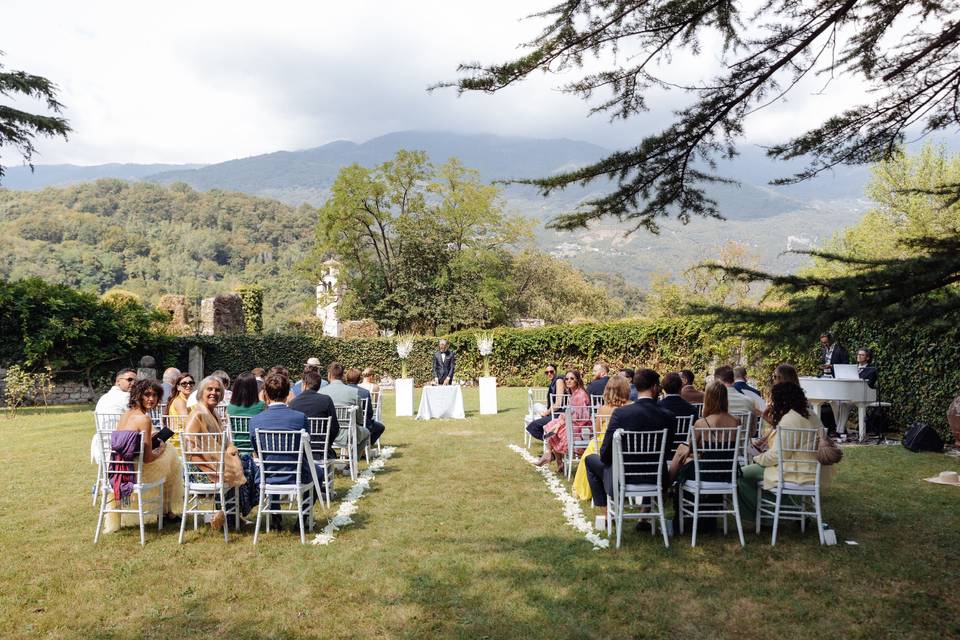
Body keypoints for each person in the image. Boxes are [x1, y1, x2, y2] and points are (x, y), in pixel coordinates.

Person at [583, 369, 676, 517]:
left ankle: (607, 514)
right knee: (651, 462)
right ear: (654, 387)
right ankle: (644, 516)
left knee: (590, 460)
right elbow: (667, 451)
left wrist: (609, 464)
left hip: (623, 476)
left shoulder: (621, 414)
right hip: (656, 476)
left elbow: (605, 452)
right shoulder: (669, 416)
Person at [737, 382, 834, 519]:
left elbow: (778, 455)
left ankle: (765, 515)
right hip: (813, 469)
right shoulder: (812, 415)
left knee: (741, 474)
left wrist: (756, 458)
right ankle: (786, 509)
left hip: (790, 470)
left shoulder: (789, 420)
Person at [105, 379, 184, 532]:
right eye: (147, 394)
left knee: (169, 456)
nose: (151, 399)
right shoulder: (145, 419)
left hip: (118, 469)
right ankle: (166, 512)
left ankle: (166, 512)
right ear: (137, 396)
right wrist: (160, 449)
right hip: (135, 471)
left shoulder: (126, 415)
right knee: (172, 459)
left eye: (155, 395)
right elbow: (148, 459)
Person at [183, 375, 256, 529]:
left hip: (215, 464)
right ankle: (231, 516)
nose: (214, 393)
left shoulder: (212, 413)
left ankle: (231, 515)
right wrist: (212, 472)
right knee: (248, 465)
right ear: (201, 392)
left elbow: (224, 444)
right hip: (200, 471)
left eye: (217, 390)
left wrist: (230, 453)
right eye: (209, 389)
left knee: (245, 461)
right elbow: (191, 453)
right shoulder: (197, 414)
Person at [250, 373, 313, 530]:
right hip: (295, 472)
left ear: (265, 394)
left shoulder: (255, 420)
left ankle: (275, 517)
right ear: (288, 394)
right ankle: (303, 518)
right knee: (317, 473)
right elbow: (306, 447)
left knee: (270, 465)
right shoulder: (300, 418)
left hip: (268, 474)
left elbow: (257, 450)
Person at [573, 376, 632, 501]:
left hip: (603, 445)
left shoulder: (603, 409)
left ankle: (593, 490)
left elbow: (597, 431)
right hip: (627, 447)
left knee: (588, 457)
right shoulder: (631, 407)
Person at [669, 381, 741, 481]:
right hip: (728, 472)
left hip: (706, 473)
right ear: (725, 398)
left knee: (681, 449)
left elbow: (691, 448)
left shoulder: (701, 423)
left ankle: (667, 486)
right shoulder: (736, 421)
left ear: (708, 398)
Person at [537, 369, 591, 472]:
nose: (568, 381)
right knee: (551, 426)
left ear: (577, 380)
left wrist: (560, 423)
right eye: (566, 379)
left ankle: (552, 457)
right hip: (572, 423)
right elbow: (569, 413)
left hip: (579, 427)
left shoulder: (580, 395)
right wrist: (560, 421)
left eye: (572, 379)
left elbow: (578, 417)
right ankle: (552, 456)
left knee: (554, 430)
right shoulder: (574, 393)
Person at [318, 362, 371, 452]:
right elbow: (359, 419)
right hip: (347, 433)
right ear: (343, 376)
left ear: (329, 375)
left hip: (325, 433)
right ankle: (353, 460)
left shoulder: (320, 392)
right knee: (366, 433)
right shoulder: (354, 392)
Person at [288, 369, 341, 456]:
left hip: (301, 451)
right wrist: (327, 444)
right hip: (321, 449)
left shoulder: (293, 402)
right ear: (319, 386)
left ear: (304, 385)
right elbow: (334, 427)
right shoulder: (326, 400)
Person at [345, 368, 385, 447]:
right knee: (380, 427)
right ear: (359, 379)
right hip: (362, 423)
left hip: (344, 424)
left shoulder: (342, 391)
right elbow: (369, 413)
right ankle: (365, 446)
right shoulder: (365, 392)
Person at [526, 365, 564, 442]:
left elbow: (558, 403)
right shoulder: (553, 382)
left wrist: (546, 412)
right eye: (547, 372)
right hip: (553, 413)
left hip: (558, 414)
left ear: (555, 372)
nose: (549, 374)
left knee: (533, 427)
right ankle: (550, 439)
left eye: (551, 371)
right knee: (534, 424)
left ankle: (550, 440)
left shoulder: (559, 381)